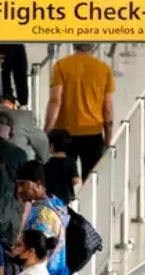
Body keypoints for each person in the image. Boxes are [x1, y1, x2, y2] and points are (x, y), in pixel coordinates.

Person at [45, 43, 114, 179]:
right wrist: (108, 139)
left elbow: (55, 100)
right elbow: (107, 107)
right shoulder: (104, 69)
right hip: (93, 133)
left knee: (62, 179)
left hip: (64, 133)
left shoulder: (61, 66)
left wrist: (47, 130)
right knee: (90, 181)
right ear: (93, 46)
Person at [15, 161, 70, 275]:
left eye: (23, 184)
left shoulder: (42, 215)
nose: (19, 190)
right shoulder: (56, 203)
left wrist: (15, 253)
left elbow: (36, 254)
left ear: (38, 184)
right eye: (17, 185)